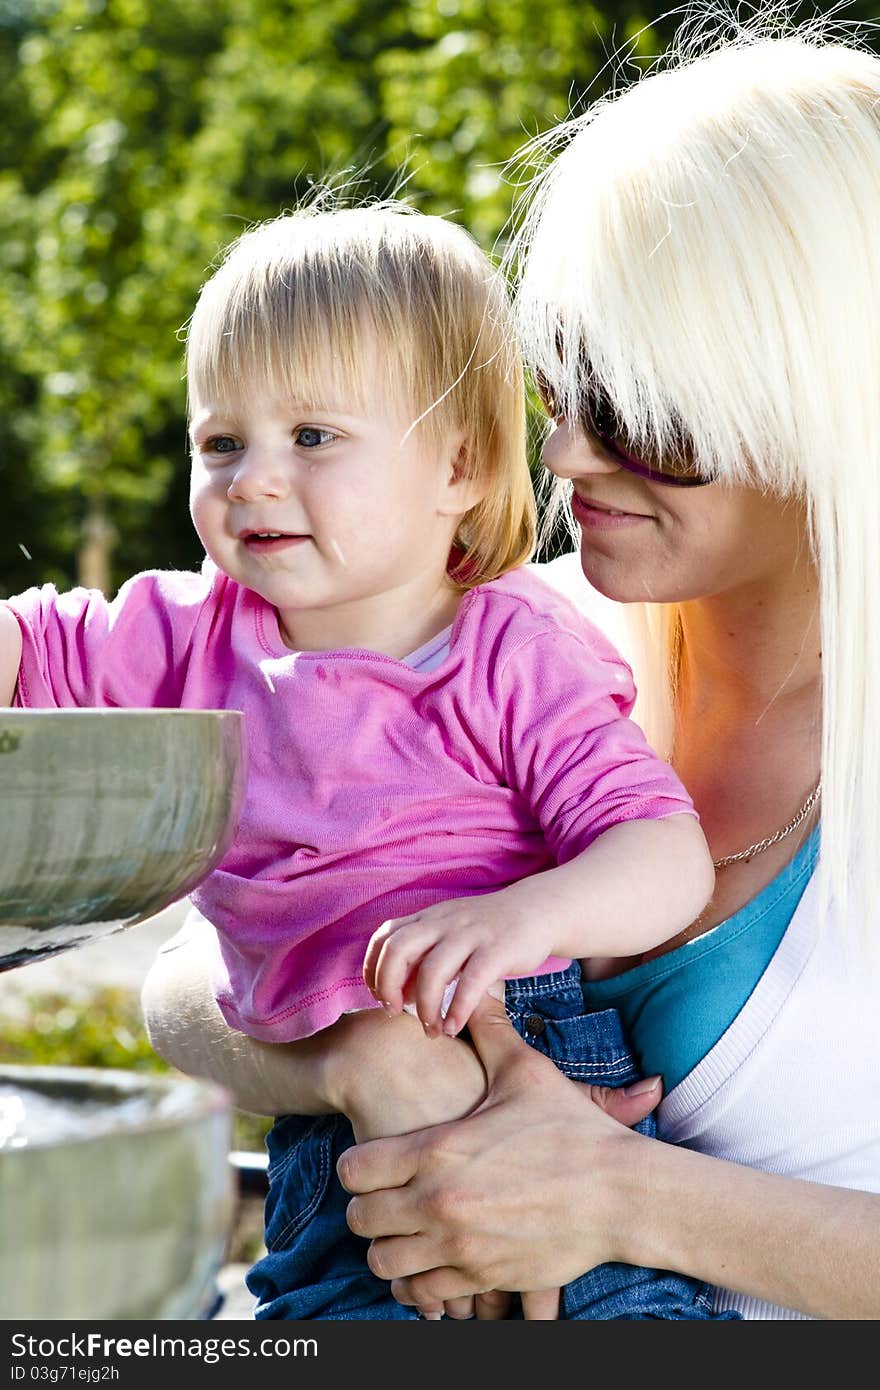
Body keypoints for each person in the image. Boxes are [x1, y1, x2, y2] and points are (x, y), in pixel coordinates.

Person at [141, 19, 880, 1321]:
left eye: (650, 408)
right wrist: (360, 1048)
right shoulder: (504, 633)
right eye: (558, 381)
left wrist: (617, 1199)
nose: (569, 457)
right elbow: (179, 980)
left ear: (826, 396)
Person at [0, 203, 725, 1321]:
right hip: (322, 1141)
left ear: (460, 465)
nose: (250, 479)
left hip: (521, 1073)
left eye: (313, 438)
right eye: (219, 440)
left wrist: (525, 915)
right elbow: (29, 645)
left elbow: (662, 850)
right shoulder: (193, 630)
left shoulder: (506, 649)